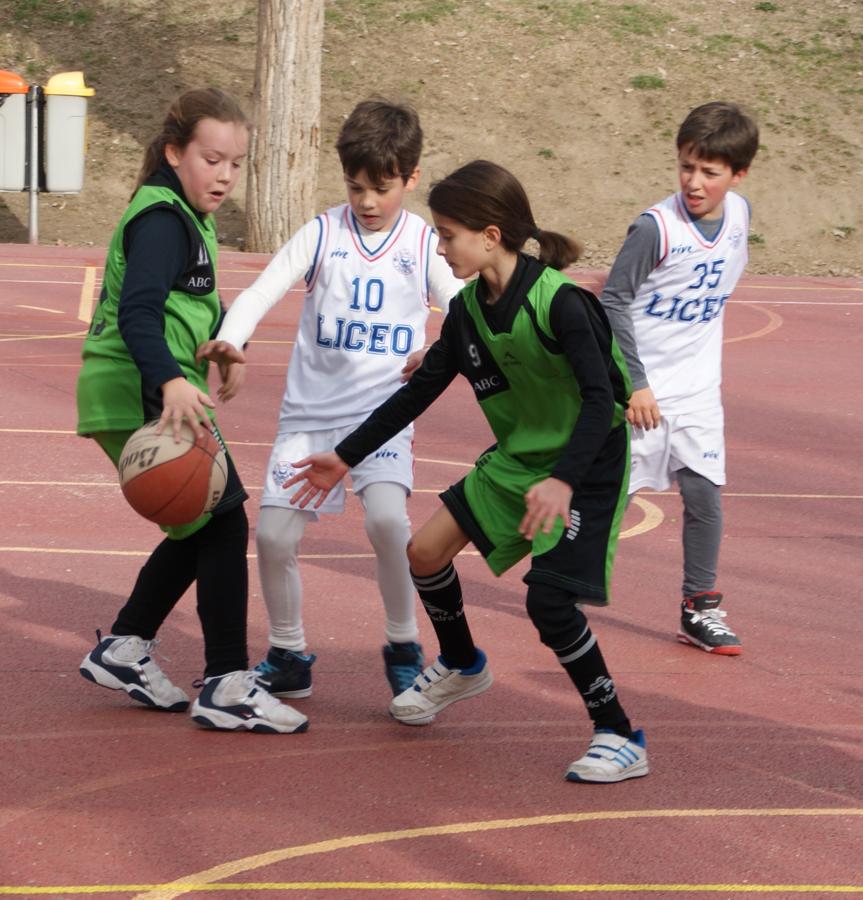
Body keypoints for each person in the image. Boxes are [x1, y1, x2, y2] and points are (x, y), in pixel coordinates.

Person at [283, 159, 648, 783]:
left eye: (448, 233)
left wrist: (562, 479)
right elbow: (416, 394)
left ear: (491, 235)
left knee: (550, 603)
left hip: (586, 463)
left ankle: (618, 732)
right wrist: (344, 455)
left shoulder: (561, 304)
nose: (439, 244)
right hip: (519, 459)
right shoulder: (468, 312)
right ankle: (461, 662)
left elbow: (598, 399)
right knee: (422, 552)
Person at [197, 98, 463, 702]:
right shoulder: (323, 232)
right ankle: (289, 652)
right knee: (272, 537)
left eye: (382, 187)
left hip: (382, 418)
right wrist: (231, 338)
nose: (367, 201)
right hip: (310, 418)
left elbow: (466, 309)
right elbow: (265, 288)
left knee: (389, 522)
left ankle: (402, 643)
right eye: (355, 185)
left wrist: (444, 344)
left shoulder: (422, 244)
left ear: (411, 178)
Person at [76, 87, 307, 734]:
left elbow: (184, 304)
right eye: (212, 159)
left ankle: (125, 647)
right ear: (175, 151)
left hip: (137, 382)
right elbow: (139, 311)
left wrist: (220, 346)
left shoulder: (184, 214)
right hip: (138, 385)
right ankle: (229, 683)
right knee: (224, 519)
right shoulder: (160, 219)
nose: (225, 175)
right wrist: (169, 384)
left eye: (235, 163)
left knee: (201, 522)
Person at [599, 101, 759, 656]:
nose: (694, 181)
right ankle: (564, 577)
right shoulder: (655, 227)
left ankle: (699, 608)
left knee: (705, 494)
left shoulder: (740, 216)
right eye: (685, 166)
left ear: (738, 174)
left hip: (695, 392)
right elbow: (614, 301)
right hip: (639, 389)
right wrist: (634, 382)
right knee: (610, 498)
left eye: (709, 172)